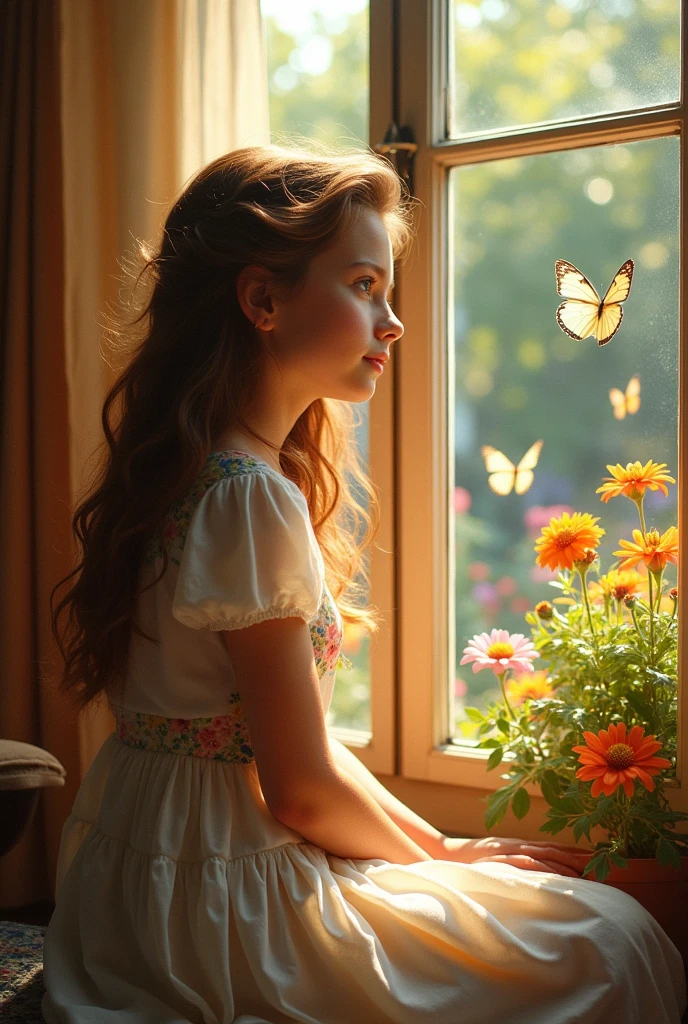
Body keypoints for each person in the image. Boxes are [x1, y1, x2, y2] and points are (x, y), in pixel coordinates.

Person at [41, 143, 686, 1023]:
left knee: (566, 916)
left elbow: (281, 745)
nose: (395, 322)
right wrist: (444, 865)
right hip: (225, 899)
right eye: (363, 286)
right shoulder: (247, 497)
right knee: (611, 938)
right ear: (263, 299)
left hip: (140, 884)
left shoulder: (192, 473)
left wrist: (443, 845)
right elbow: (300, 787)